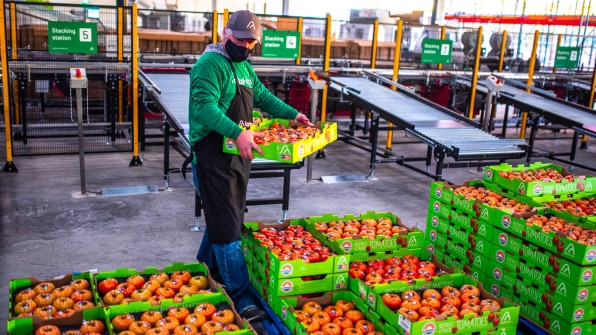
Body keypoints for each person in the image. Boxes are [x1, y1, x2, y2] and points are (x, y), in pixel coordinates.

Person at [187, 10, 313, 322]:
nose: (246, 46)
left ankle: (204, 268)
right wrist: (238, 132)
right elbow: (203, 109)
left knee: (226, 216)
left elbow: (263, 98)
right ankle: (240, 296)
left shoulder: (244, 67)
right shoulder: (209, 65)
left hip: (237, 155)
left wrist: (292, 114)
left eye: (251, 42)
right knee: (229, 229)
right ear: (224, 33)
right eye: (241, 40)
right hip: (213, 156)